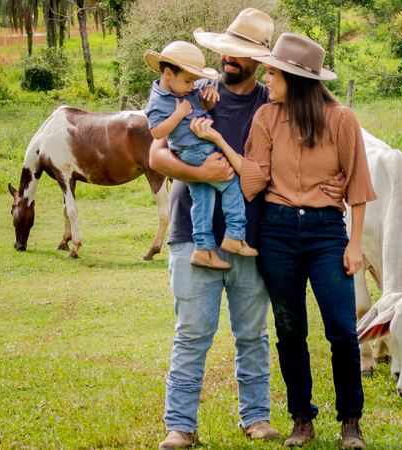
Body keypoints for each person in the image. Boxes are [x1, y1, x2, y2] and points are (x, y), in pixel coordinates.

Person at [149, 9, 348, 450]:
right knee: (192, 333)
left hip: (252, 239)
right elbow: (155, 155)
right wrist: (199, 174)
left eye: (241, 55)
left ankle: (256, 417)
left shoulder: (274, 102)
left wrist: (336, 179)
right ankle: (180, 426)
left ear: (263, 62)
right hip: (191, 233)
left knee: (253, 334)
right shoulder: (194, 91)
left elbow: (325, 131)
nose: (229, 60)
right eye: (226, 52)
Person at [189, 32, 376, 449]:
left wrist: (355, 243)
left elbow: (359, 185)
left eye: (273, 72)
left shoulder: (342, 119)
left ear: (296, 77)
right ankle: (302, 420)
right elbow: (254, 180)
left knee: (342, 329)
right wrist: (218, 140)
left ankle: (350, 422)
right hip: (276, 230)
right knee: (290, 331)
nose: (267, 78)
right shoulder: (267, 118)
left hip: (327, 232)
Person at [143, 40, 257, 271]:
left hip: (196, 150)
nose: (191, 86)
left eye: (194, 80)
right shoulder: (162, 101)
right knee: (231, 184)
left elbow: (201, 104)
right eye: (188, 80)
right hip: (196, 151)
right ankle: (234, 235)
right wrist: (178, 115)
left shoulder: (186, 90)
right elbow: (156, 133)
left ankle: (203, 249)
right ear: (168, 73)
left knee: (203, 200)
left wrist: (208, 93)